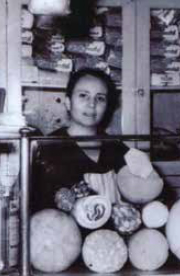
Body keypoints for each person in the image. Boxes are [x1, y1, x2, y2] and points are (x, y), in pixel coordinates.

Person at [31, 68, 130, 212]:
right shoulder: (46, 149)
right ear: (68, 102)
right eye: (83, 95)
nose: (92, 104)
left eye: (100, 98)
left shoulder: (117, 149)